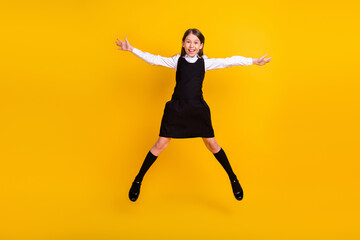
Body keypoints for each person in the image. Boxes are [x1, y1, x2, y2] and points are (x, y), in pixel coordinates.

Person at [115, 28, 271, 202]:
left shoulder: (204, 62)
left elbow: (229, 61)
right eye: (188, 41)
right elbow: (154, 60)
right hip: (177, 109)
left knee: (212, 144)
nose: (191, 45)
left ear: (201, 45)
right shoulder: (177, 61)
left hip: (197, 110)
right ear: (183, 43)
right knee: (161, 143)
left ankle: (233, 178)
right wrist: (132, 49)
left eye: (196, 42)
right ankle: (138, 180)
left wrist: (254, 61)